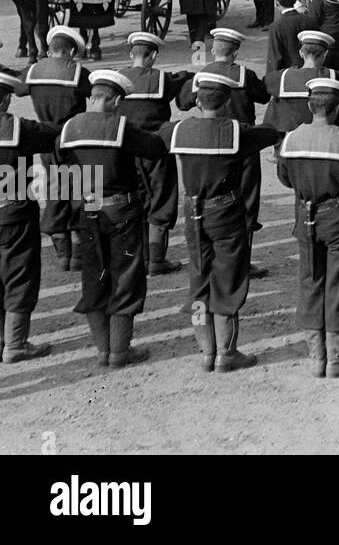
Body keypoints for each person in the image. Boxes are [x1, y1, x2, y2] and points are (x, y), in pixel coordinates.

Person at [163, 72, 282, 372]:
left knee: (199, 279)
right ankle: (226, 353)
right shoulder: (236, 132)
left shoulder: (179, 131)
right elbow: (269, 132)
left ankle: (206, 352)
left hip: (192, 211)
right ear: (227, 101)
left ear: (197, 101)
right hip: (225, 211)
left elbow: (154, 138)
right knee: (227, 280)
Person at [58, 69, 170, 368]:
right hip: (121, 210)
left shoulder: (69, 128)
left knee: (94, 277)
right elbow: (155, 149)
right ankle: (120, 350)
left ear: (92, 97)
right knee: (125, 275)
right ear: (117, 99)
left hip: (86, 209)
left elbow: (62, 164)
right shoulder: (120, 127)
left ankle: (102, 350)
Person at [276, 77, 339, 377]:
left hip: (305, 215)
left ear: (310, 105)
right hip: (338, 217)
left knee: (309, 280)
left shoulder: (291, 139)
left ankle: (316, 356)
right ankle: (336, 357)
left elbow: (284, 176)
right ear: (337, 109)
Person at [176, 28, 272, 278]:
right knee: (247, 202)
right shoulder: (244, 75)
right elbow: (263, 97)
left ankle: (209, 262)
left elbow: (182, 102)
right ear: (235, 51)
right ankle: (242, 260)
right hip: (243, 142)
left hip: (209, 144)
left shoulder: (201, 75)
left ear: (213, 51)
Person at [18, 25, 91, 271]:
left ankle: (62, 252)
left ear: (49, 50)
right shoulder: (77, 73)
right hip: (74, 138)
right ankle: (80, 252)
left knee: (53, 190)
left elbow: (15, 88)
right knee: (81, 190)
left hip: (46, 141)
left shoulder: (33, 71)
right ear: (70, 51)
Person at [119, 32, 191, 276]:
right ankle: (156, 259)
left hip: (126, 147)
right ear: (153, 56)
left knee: (134, 197)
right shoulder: (161, 79)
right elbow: (183, 80)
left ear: (132, 55)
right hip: (156, 146)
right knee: (161, 198)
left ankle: (137, 254)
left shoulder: (117, 79)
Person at [0, 69, 58, 363]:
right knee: (20, 275)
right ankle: (16, 344)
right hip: (14, 214)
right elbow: (52, 135)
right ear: (5, 100)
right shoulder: (18, 129)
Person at [264, 31, 339, 132]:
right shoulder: (331, 76)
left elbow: (263, 88)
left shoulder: (282, 76)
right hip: (321, 137)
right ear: (325, 54)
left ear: (301, 53)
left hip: (287, 140)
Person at [266, 0, 307, 75]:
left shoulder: (276, 26)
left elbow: (274, 57)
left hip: (288, 75)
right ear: (295, 1)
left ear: (277, 3)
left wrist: (270, 80)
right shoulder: (309, 20)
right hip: (310, 71)